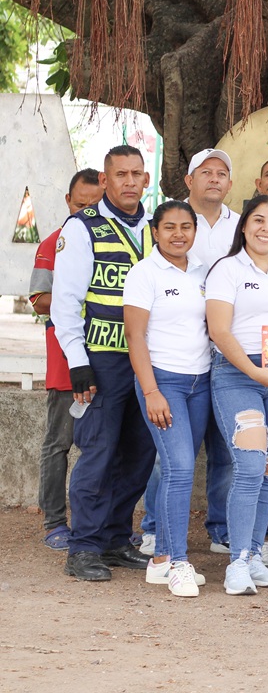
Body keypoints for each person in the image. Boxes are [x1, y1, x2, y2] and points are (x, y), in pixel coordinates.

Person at [51, 146, 156, 581]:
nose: (129, 182)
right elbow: (65, 303)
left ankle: (114, 539)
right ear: (105, 180)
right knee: (98, 450)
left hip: (148, 360)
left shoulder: (158, 227)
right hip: (103, 358)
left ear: (146, 179)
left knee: (139, 452)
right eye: (121, 175)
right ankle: (84, 547)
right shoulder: (82, 227)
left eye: (136, 174)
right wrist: (78, 362)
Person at [205, 195, 268, 595]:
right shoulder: (226, 270)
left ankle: (252, 556)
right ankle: (236, 566)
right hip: (238, 374)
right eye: (259, 221)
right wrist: (253, 372)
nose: (267, 228)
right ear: (245, 226)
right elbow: (219, 330)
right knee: (248, 468)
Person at [124, 201, 213, 597]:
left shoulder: (203, 271)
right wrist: (152, 391)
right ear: (155, 232)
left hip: (202, 382)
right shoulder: (144, 274)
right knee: (178, 468)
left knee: (183, 466)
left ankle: (161, 558)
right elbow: (135, 337)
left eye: (186, 227)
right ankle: (177, 561)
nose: (179, 234)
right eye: (170, 227)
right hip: (164, 382)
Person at [29, 168, 102, 551]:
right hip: (64, 363)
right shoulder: (53, 242)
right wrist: (84, 299)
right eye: (80, 204)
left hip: (110, 360)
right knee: (59, 444)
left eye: (94, 204)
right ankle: (55, 522)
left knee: (105, 447)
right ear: (67, 202)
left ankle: (101, 525)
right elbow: (40, 299)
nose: (87, 211)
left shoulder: (116, 240)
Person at [175, 147, 237, 555]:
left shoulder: (241, 224)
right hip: (182, 348)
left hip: (231, 347)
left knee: (227, 448)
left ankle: (221, 527)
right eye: (205, 171)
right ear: (189, 180)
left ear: (230, 183)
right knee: (174, 451)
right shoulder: (171, 218)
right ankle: (153, 528)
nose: (214, 178)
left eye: (221, 173)